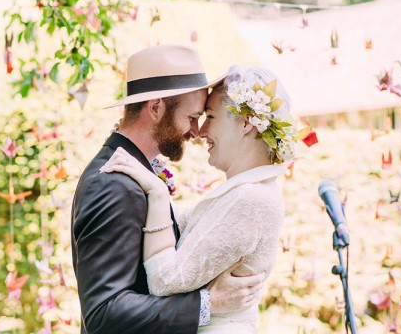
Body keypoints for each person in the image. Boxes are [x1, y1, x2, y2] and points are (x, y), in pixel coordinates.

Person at [71, 45, 265, 334]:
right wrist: (207, 303)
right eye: (191, 117)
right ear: (156, 108)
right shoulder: (112, 184)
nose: (196, 132)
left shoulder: (135, 172)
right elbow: (104, 313)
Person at [101, 65, 296, 333]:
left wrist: (157, 193)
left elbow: (164, 280)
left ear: (246, 123)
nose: (200, 132)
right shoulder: (246, 190)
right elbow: (180, 227)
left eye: (211, 117)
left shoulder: (252, 199)